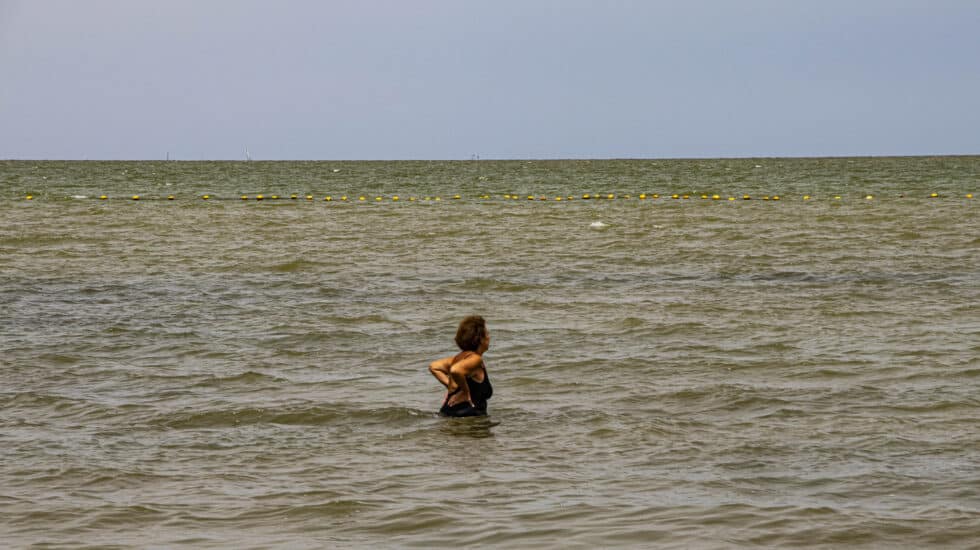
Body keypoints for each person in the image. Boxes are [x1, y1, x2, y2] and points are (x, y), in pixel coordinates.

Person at [429, 315, 493, 417]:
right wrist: (465, 392)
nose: (489, 337)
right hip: (463, 420)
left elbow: (433, 366)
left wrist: (452, 389)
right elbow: (456, 370)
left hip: (448, 414)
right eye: (487, 333)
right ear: (480, 339)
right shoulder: (475, 359)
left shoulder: (457, 359)